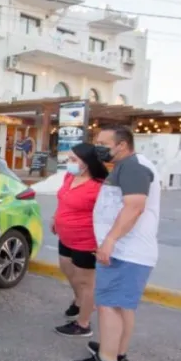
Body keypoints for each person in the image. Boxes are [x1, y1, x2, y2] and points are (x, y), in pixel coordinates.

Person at [73, 128, 160, 361]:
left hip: (126, 251)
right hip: (125, 249)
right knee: (121, 306)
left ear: (121, 145)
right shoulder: (126, 165)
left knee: (109, 305)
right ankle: (117, 353)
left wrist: (109, 240)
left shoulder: (133, 166)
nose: (97, 147)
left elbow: (134, 207)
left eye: (103, 143)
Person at [52, 143, 109, 337]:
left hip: (86, 241)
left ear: (87, 163)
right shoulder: (70, 176)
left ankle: (83, 324)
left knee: (86, 283)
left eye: (74, 160)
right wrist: (55, 218)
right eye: (69, 159)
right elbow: (63, 200)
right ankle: (79, 301)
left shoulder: (99, 187)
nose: (69, 163)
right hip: (65, 236)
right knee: (68, 270)